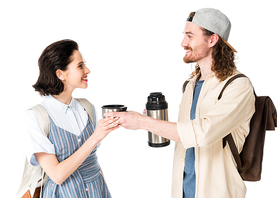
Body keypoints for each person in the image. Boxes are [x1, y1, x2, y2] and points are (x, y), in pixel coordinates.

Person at [105, 8, 255, 198]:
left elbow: (203, 133)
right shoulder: (190, 85)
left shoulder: (238, 86)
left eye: (190, 36)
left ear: (212, 40)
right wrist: (149, 122)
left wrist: (143, 123)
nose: (183, 43)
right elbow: (185, 134)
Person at [25, 39, 120, 197]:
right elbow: (57, 175)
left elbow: (92, 161)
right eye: (80, 66)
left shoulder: (87, 107)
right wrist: (96, 136)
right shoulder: (36, 116)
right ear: (60, 74)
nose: (87, 70)